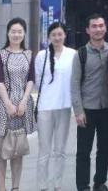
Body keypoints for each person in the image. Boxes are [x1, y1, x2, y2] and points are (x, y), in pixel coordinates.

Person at [0, 17, 36, 191]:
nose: (16, 35)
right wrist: (8, 104)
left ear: (24, 34)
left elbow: (31, 79)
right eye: (13, 31)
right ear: (8, 33)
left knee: (17, 149)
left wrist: (23, 101)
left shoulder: (28, 54)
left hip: (23, 106)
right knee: (2, 151)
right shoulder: (0, 55)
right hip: (3, 106)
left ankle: (15, 187)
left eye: (19, 31)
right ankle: (2, 188)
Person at [72, 13, 108, 191]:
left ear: (106, 28)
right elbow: (74, 84)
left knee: (104, 149)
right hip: (87, 109)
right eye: (94, 26)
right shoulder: (80, 54)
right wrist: (78, 111)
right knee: (83, 151)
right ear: (88, 30)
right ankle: (83, 186)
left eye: (101, 25)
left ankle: (100, 182)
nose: (98, 29)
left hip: (107, 108)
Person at [35, 22, 76, 191]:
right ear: (49, 37)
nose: (57, 38)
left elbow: (75, 80)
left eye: (60, 34)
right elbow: (38, 80)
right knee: (44, 151)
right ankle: (43, 185)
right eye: (54, 35)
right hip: (45, 107)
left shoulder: (72, 54)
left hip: (65, 106)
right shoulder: (41, 55)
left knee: (60, 150)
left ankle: (57, 184)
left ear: (65, 35)